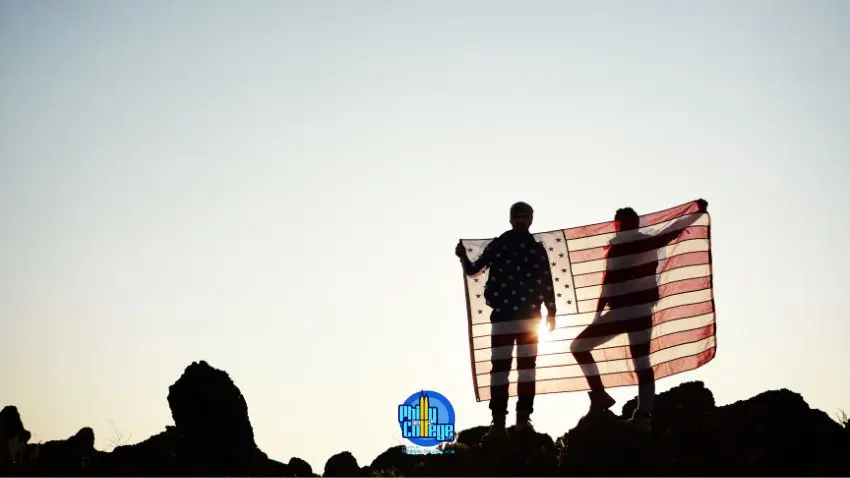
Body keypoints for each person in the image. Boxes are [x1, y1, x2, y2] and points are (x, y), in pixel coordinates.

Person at [569, 199, 708, 433]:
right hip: (627, 312)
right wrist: (598, 313)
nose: (623, 227)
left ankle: (641, 414)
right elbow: (608, 282)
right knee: (584, 348)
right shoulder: (619, 247)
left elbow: (671, 232)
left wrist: (695, 212)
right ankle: (606, 398)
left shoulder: (641, 243)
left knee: (632, 360)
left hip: (634, 311)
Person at [455, 201, 557, 443]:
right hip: (502, 315)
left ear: (531, 219)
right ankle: (498, 423)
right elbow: (474, 269)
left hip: (530, 317)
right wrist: (462, 258)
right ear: (511, 219)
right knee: (500, 370)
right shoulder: (499, 244)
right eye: (517, 216)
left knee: (526, 369)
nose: (520, 220)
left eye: (524, 216)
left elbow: (546, 280)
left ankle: (523, 420)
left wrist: (551, 311)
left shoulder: (535, 248)